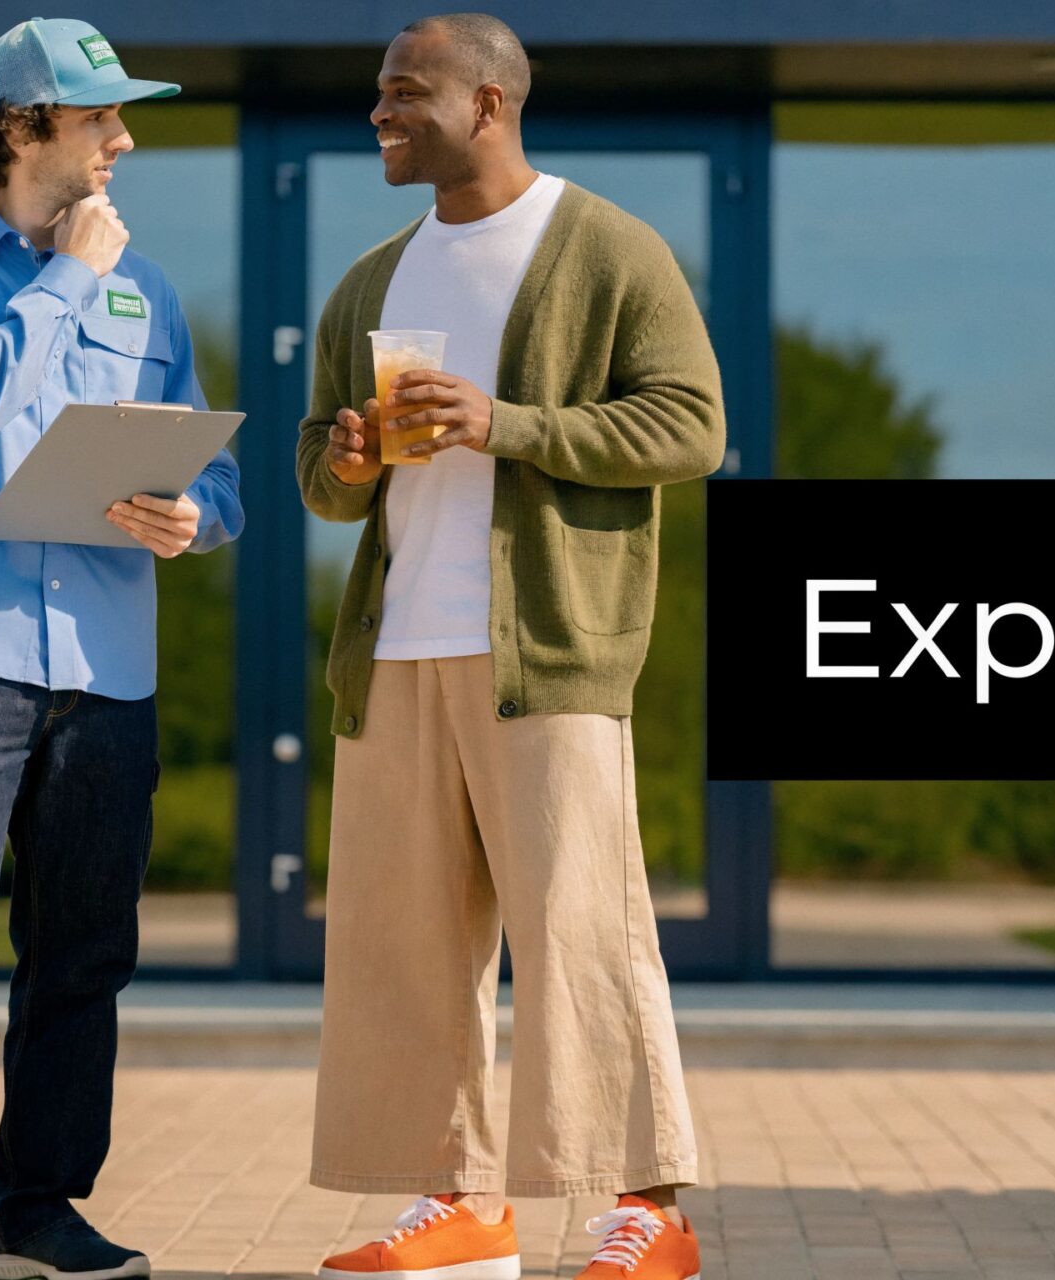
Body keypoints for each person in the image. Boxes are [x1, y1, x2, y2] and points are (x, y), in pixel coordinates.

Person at [295, 14, 721, 1280]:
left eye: (403, 92)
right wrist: (348, 459)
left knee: (582, 934)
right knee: (410, 947)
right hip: (394, 654)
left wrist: (508, 422)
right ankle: (463, 1204)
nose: (379, 112)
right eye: (377, 91)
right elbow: (321, 477)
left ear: (486, 103)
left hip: (547, 649)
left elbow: (689, 425)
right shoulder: (371, 281)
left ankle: (647, 1210)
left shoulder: (605, 249)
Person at [0, 18, 241, 1280]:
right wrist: (64, 277)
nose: (122, 140)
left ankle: (37, 1207)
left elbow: (213, 469)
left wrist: (194, 515)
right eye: (98, 117)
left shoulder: (147, 289)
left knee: (83, 950)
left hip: (107, 668)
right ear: (21, 128)